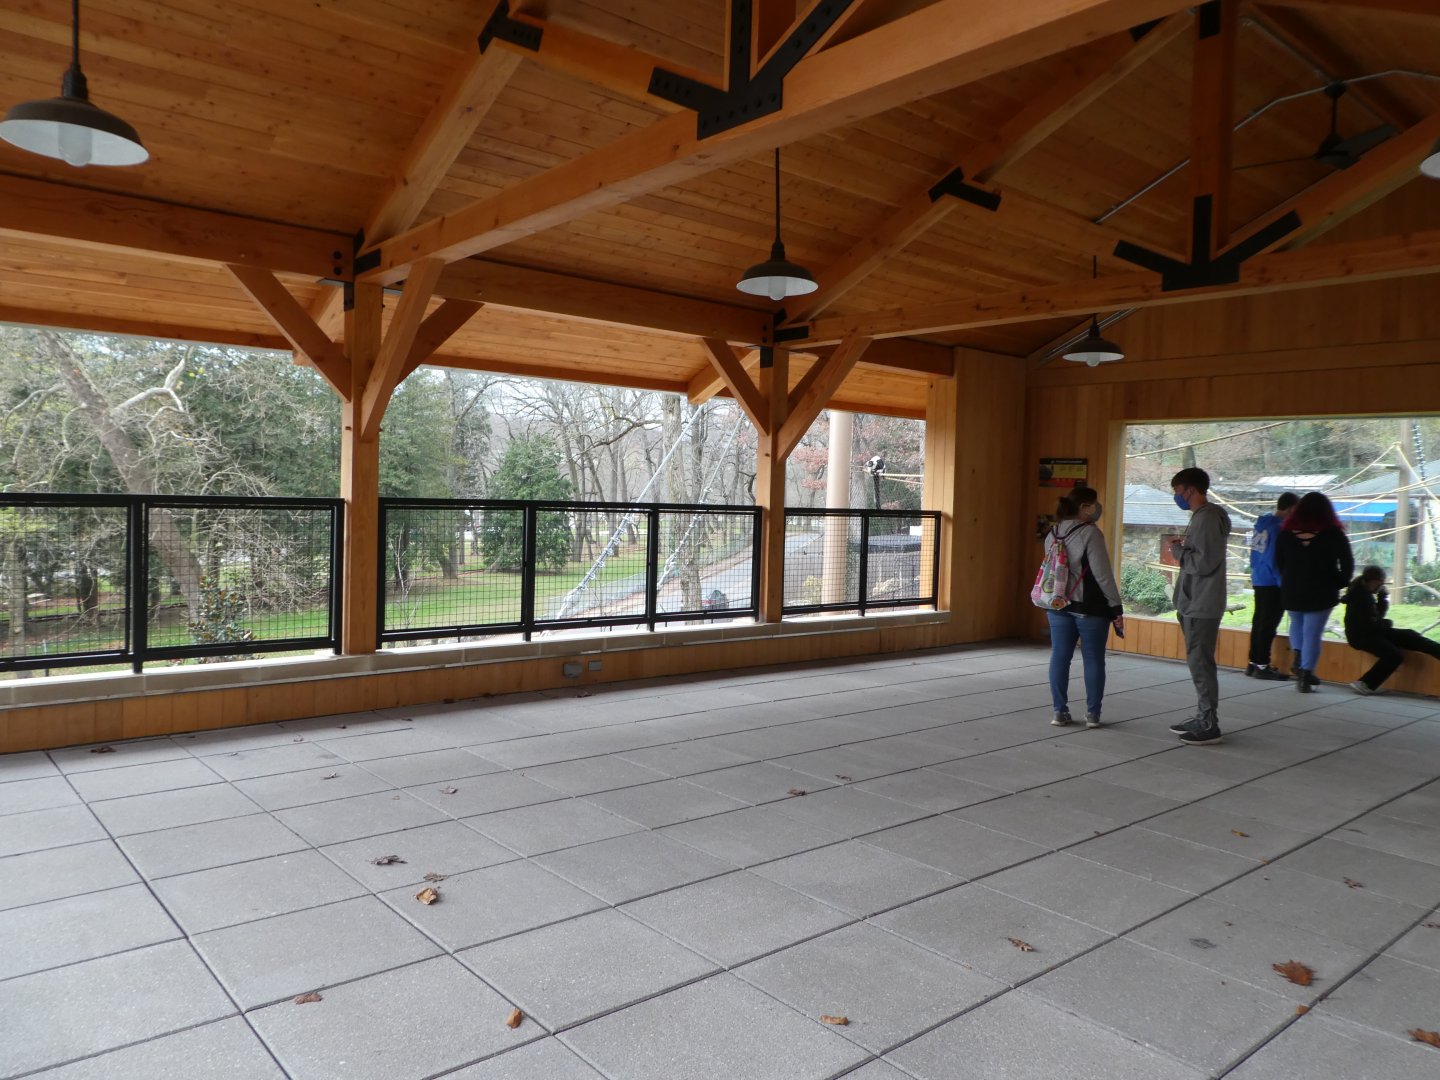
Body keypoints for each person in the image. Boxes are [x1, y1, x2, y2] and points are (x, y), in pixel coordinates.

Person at [1042, 486, 1124, 728]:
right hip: (1090, 607)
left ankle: (1059, 711)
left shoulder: (1053, 533)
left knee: (1059, 657)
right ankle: (1093, 714)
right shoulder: (1090, 533)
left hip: (1057, 605)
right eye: (1093, 504)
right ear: (1084, 507)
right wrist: (1115, 606)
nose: (1097, 508)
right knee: (1093, 659)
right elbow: (1102, 575)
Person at [1167, 467, 1232, 746]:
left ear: (1190, 490)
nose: (1177, 497)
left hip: (1201, 603)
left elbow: (1204, 563)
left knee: (1201, 662)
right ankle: (1202, 714)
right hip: (1194, 601)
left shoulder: (1207, 518)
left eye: (1178, 492)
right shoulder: (1204, 517)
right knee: (1198, 661)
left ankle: (1209, 723)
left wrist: (1178, 551)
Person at [1275, 491, 1353, 694]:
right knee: (1312, 632)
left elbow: (1279, 562)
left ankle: (1300, 657)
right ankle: (1306, 674)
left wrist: (1290, 579)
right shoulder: (1334, 534)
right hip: (1322, 590)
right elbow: (1347, 564)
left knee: (1297, 624)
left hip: (1292, 588)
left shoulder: (1286, 534)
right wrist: (1339, 582)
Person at [1343, 566, 1440, 694]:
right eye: (1382, 582)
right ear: (1375, 580)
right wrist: (1387, 623)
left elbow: (1376, 618)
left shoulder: (1364, 594)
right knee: (1393, 655)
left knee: (1411, 636)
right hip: (1363, 637)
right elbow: (1372, 624)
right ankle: (1365, 683)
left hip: (1371, 633)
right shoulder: (1361, 597)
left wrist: (1382, 599)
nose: (1382, 585)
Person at [1246, 492, 1298, 680]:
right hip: (1272, 582)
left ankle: (1253, 663)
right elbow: (1274, 559)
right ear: (1291, 508)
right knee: (1268, 624)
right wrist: (1282, 582)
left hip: (1259, 578)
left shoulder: (1262, 525)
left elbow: (1255, 555)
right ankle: (1262, 664)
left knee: (1259, 621)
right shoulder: (1278, 529)